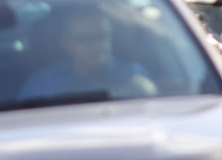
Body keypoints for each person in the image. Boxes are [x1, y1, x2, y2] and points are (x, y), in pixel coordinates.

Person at [19, 7, 157, 100]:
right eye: (85, 39)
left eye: (102, 36)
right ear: (65, 43)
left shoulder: (134, 74)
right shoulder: (42, 84)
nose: (96, 45)